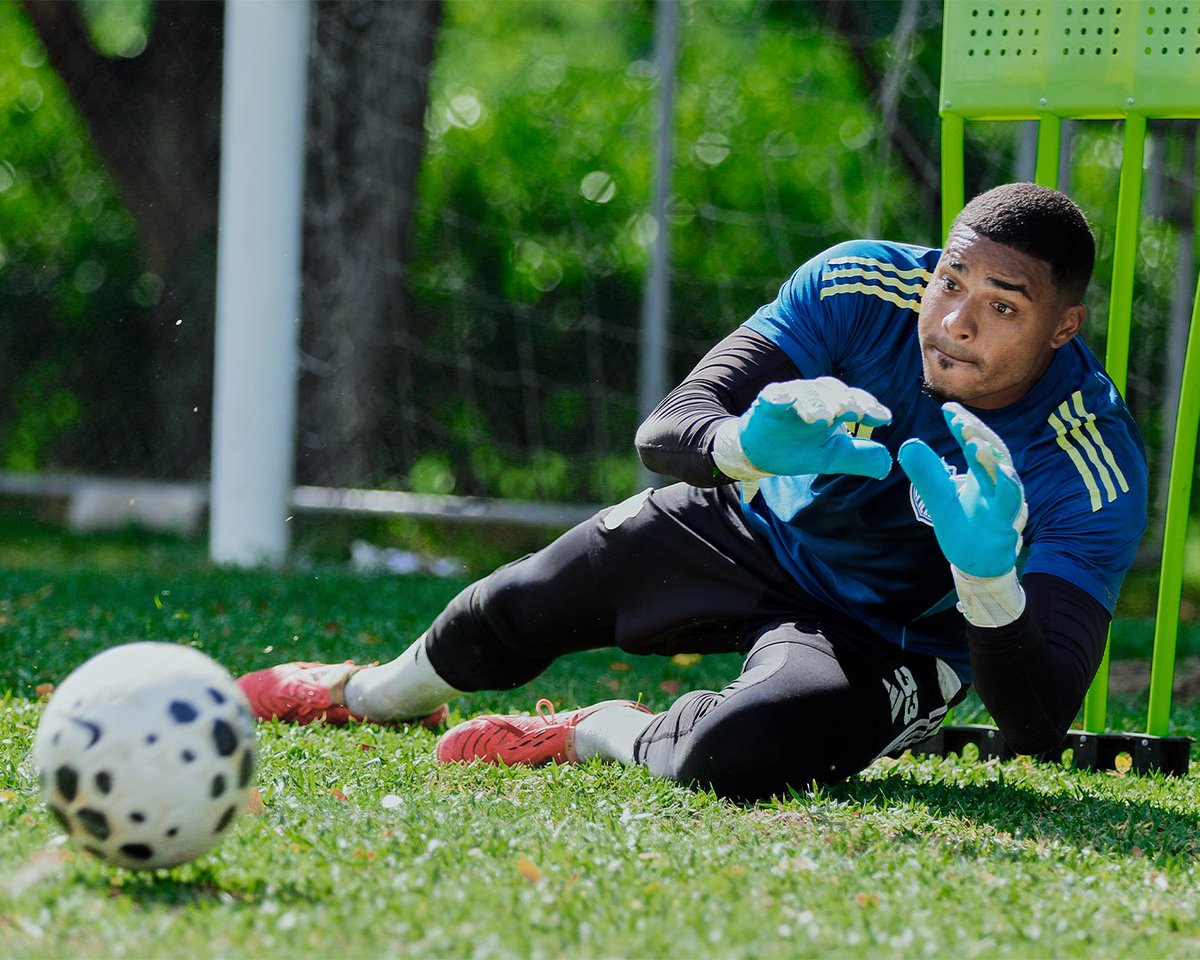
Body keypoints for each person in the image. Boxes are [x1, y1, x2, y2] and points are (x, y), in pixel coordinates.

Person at [237, 183, 1147, 803]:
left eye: (1003, 306)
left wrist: (989, 579)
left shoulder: (1087, 455)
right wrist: (746, 444)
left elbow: (1038, 722)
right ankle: (367, 694)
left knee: (735, 758)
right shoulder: (861, 284)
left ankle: (599, 730)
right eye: (952, 280)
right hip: (750, 531)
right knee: (510, 609)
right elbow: (669, 426)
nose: (953, 321)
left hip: (890, 634)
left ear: (1063, 328)